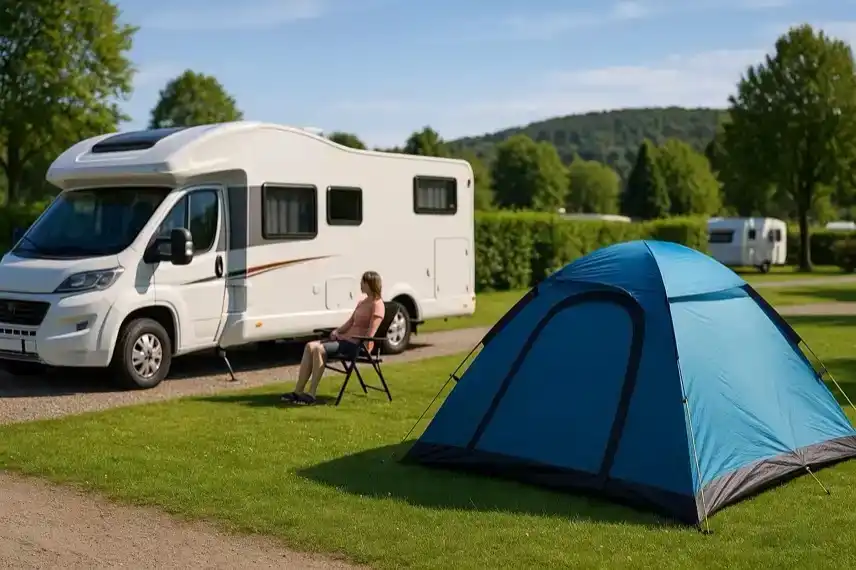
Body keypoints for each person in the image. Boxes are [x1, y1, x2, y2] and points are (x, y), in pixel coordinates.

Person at [281, 271, 386, 405]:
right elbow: (350, 322)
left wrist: (356, 342)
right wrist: (337, 331)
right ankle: (297, 392)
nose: (360, 284)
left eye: (363, 282)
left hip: (358, 346)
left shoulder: (377, 305)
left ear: (371, 284)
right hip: (345, 340)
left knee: (319, 349)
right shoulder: (362, 302)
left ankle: (311, 394)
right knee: (309, 346)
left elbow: (370, 333)